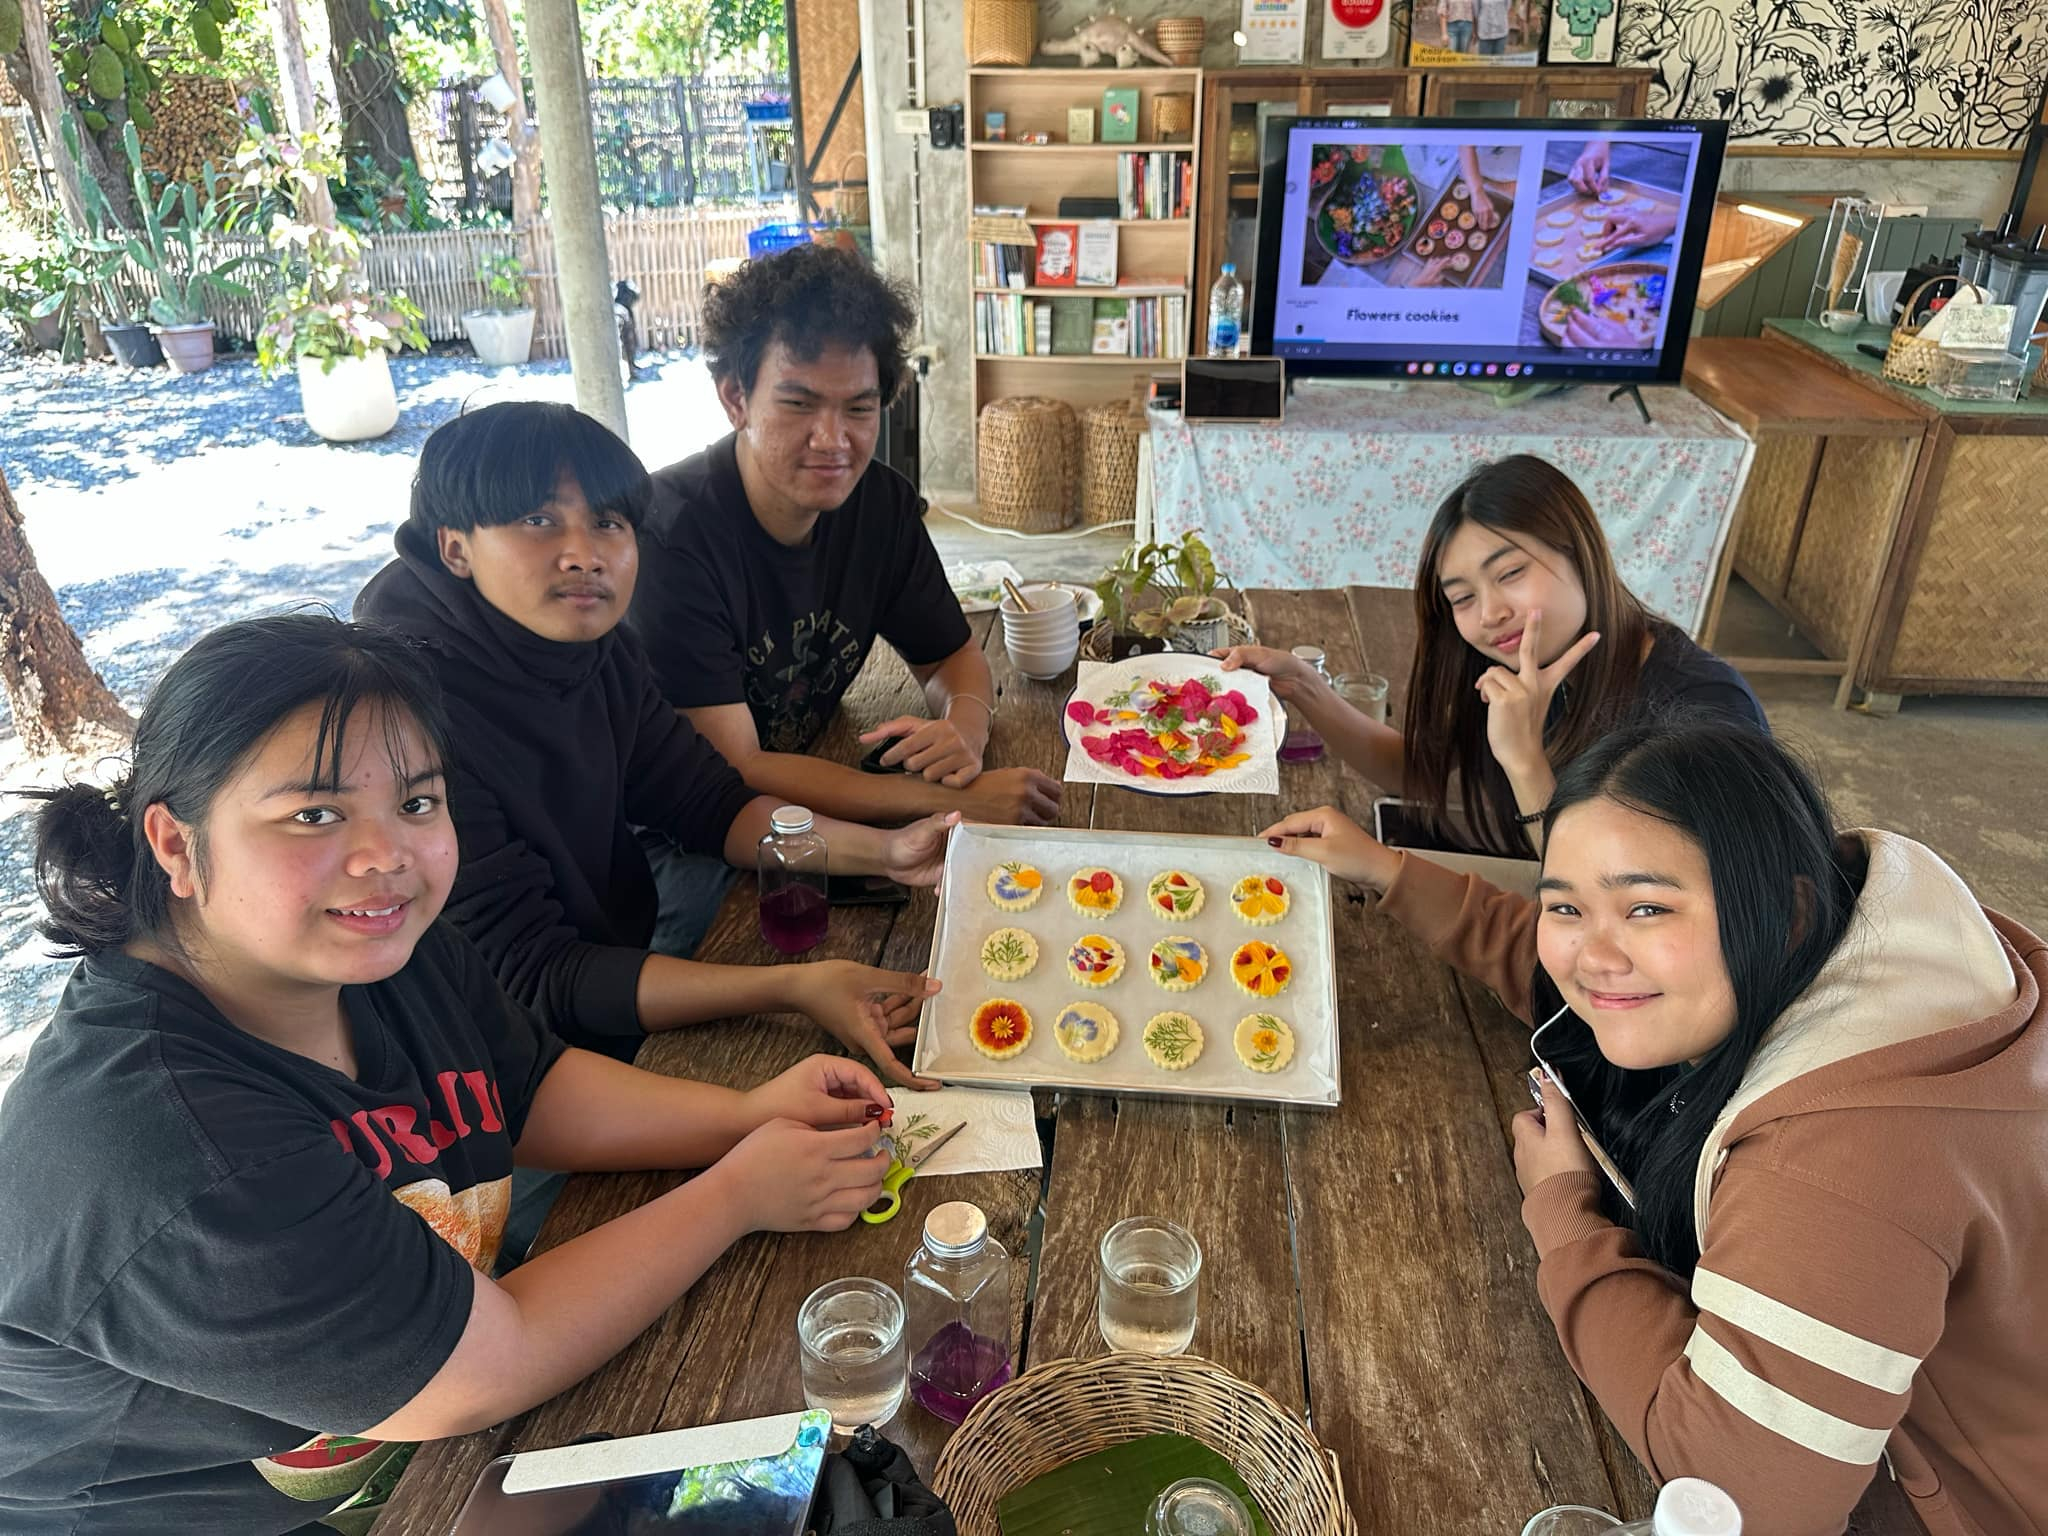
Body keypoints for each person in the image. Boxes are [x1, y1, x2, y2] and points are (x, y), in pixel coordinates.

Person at [0, 614, 899, 1535]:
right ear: (176, 845)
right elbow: (489, 1367)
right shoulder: (170, 1143)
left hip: (415, 1449)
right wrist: (739, 1192)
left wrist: (744, 1114)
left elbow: (530, 1092)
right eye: (314, 814)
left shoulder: (384, 950)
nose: (387, 855)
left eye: (418, 802)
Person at [1258, 721, 2048, 1536]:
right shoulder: (1864, 933)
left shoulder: (1845, 1160)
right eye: (1566, 904)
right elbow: (1572, 973)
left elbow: (1737, 1498)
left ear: (1786, 912)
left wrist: (1564, 1213)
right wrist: (1387, 870)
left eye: (1646, 907)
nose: (1595, 954)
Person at [355, 402, 948, 1087]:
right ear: (455, 548)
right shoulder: (405, 722)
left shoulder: (595, 649)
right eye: (538, 520)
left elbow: (707, 801)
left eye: (609, 522)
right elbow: (537, 978)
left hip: (603, 982)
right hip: (484, 1076)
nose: (584, 554)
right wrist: (793, 987)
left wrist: (889, 851)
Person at [629, 243, 1061, 828]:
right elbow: (738, 764)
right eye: (798, 404)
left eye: (859, 409)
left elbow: (951, 656)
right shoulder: (670, 538)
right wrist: (945, 799)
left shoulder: (880, 506)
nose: (833, 440)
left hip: (820, 778)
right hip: (682, 829)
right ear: (735, 397)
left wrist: (963, 730)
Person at [1220, 454, 1763, 857]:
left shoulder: (1704, 707)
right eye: (1463, 598)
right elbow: (1417, 772)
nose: (1490, 613)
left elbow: (1612, 900)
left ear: (1582, 553)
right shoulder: (1518, 668)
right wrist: (1304, 687)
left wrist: (1524, 760)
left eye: (1511, 573)